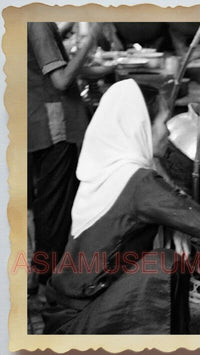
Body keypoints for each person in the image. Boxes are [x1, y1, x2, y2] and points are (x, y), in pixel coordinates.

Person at [41, 79, 200, 334]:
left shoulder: (108, 168)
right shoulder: (139, 183)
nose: (169, 133)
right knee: (166, 263)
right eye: (163, 122)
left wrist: (172, 224)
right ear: (142, 128)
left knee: (174, 259)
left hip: (65, 303)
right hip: (79, 318)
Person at [27, 22, 104, 287]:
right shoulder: (35, 20)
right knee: (54, 209)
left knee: (45, 204)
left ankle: (44, 276)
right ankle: (52, 284)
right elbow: (60, 80)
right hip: (52, 124)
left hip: (33, 118)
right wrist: (90, 40)